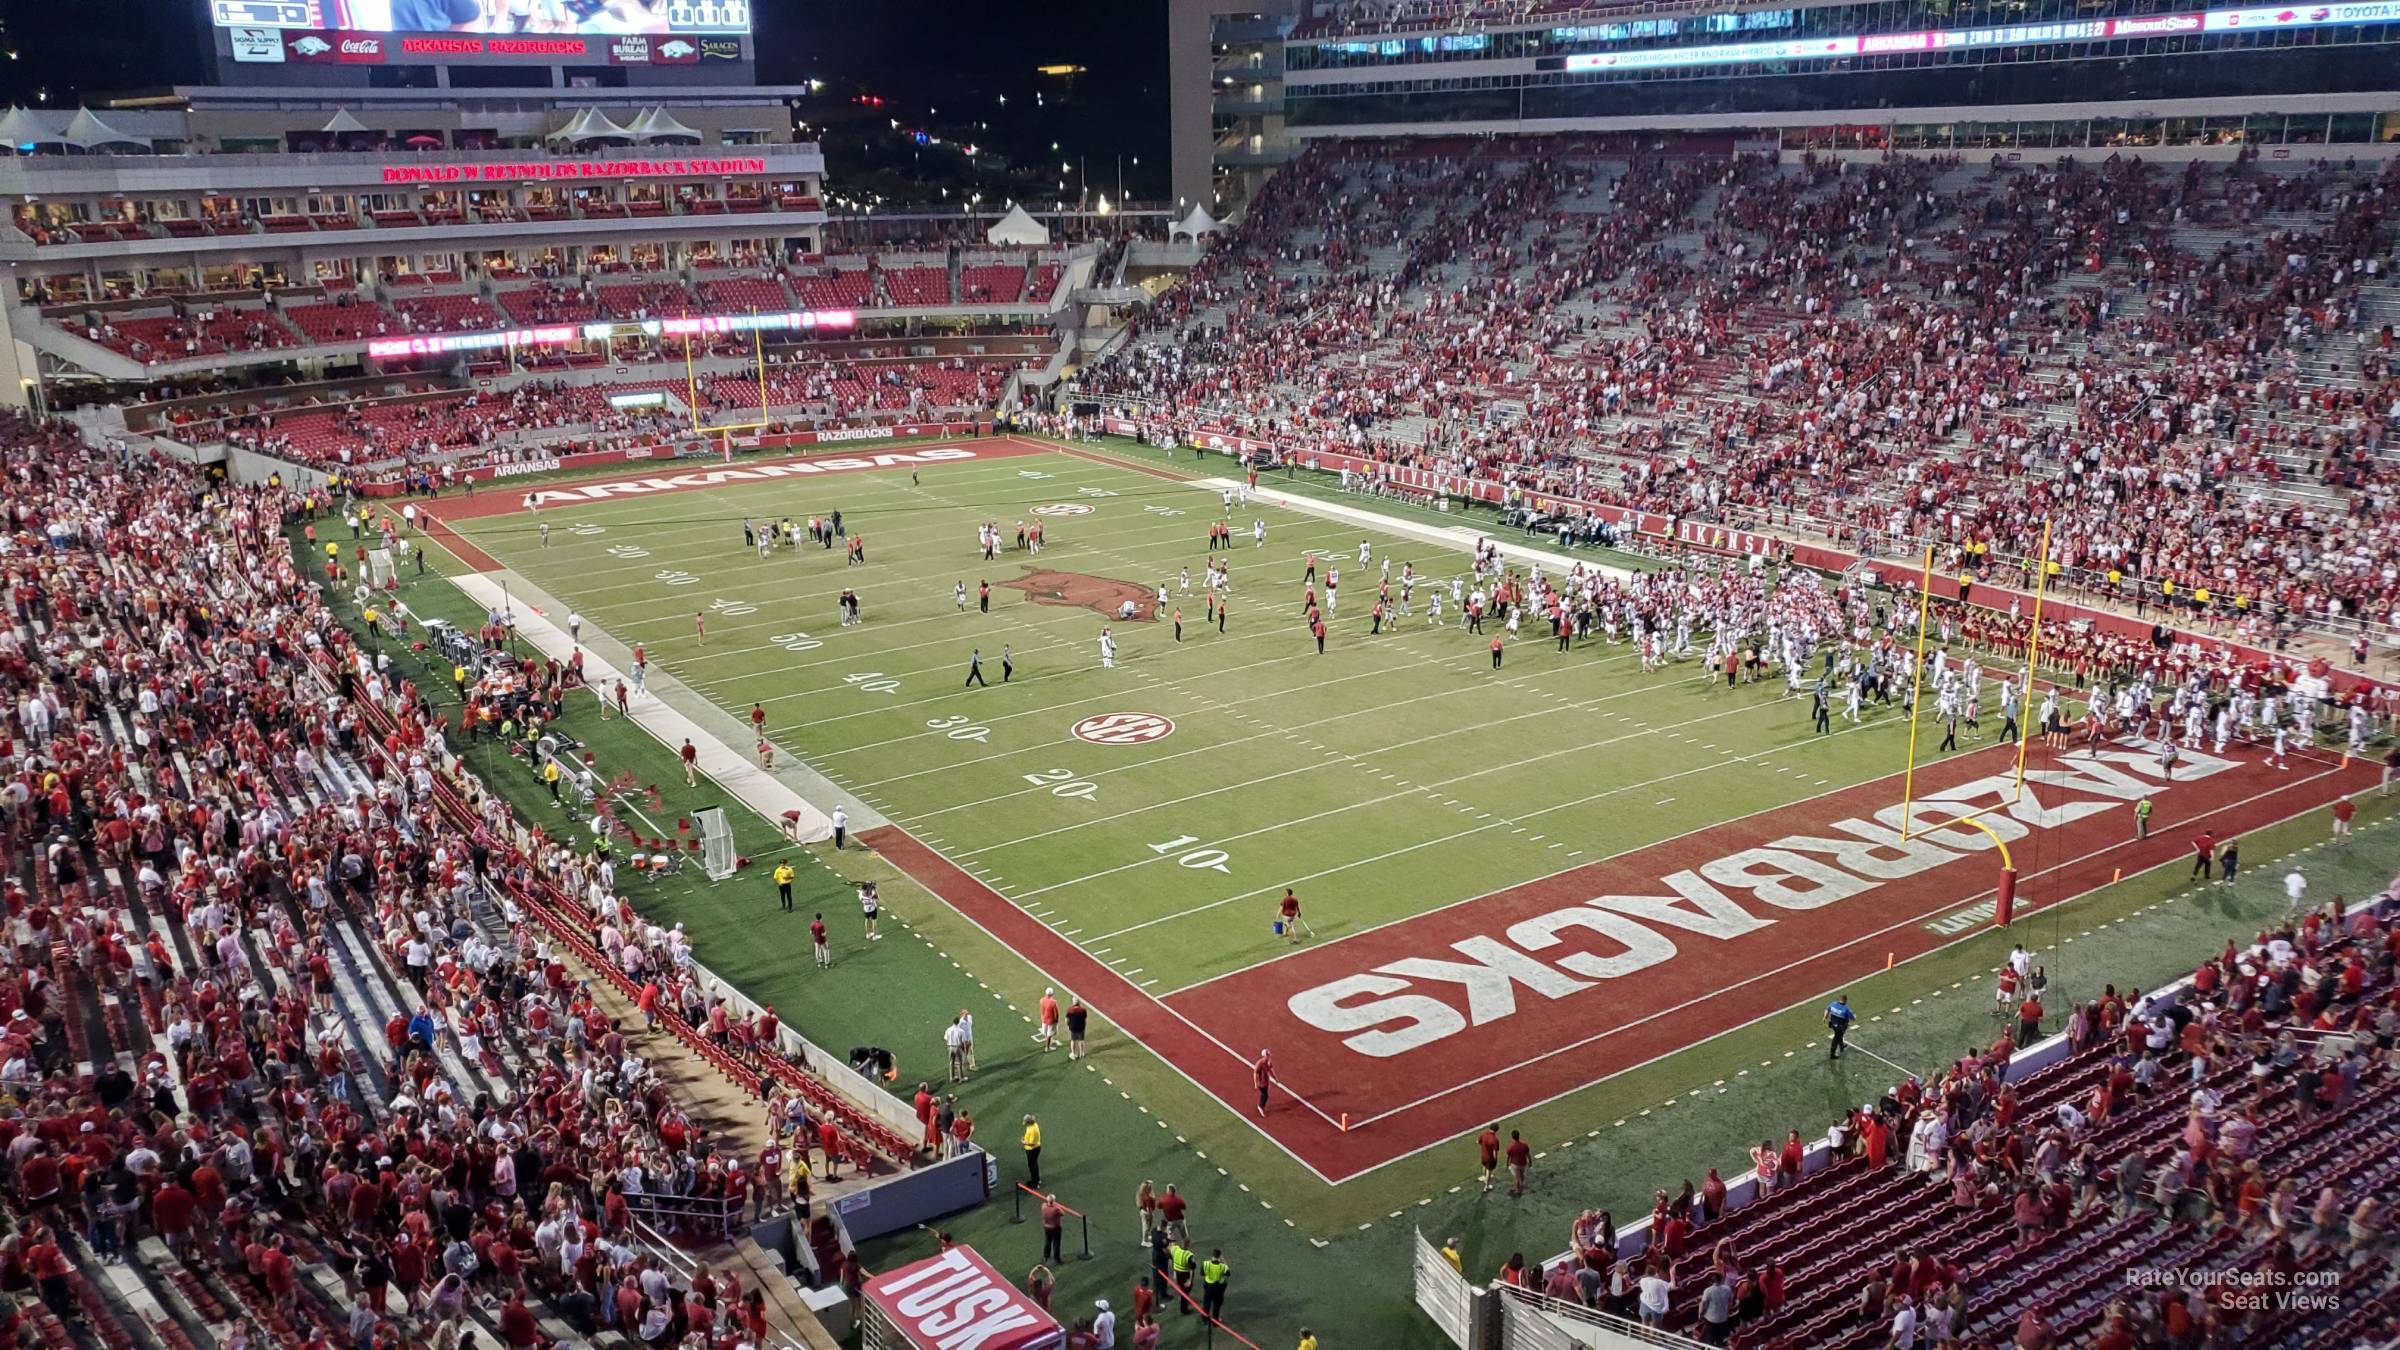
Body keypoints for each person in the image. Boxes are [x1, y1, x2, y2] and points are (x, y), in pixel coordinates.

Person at [1198, 1250, 1231, 1320]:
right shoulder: (1223, 1266)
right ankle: (1215, 1320)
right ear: (1220, 1256)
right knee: (1217, 1304)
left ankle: (1204, 1318)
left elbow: (1202, 1274)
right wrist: (1224, 1262)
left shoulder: (1205, 1263)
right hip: (1218, 1288)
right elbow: (1228, 1274)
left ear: (1212, 1255)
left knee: (1206, 1303)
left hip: (1208, 1286)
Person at [1826, 993, 1854, 1059]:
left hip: (1833, 1024)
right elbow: (1852, 1017)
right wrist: (1853, 1017)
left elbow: (1827, 1009)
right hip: (1840, 1026)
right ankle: (1832, 1054)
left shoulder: (1833, 1004)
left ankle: (1841, 1046)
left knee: (1839, 1035)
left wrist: (1824, 1017)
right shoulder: (1846, 1008)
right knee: (1837, 1038)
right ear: (1845, 1000)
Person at [1040, 1193, 1066, 1263]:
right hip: (1055, 1228)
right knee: (1056, 1243)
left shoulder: (1043, 1206)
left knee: (1047, 1242)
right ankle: (1057, 1258)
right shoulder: (1056, 1209)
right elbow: (1063, 1213)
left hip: (1046, 1227)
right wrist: (1057, 1205)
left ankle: (1046, 1256)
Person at [1506, 1129, 1531, 1196]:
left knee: (1516, 1178)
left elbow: (1508, 1156)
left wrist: (1507, 1163)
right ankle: (1522, 1186)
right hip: (1523, 1163)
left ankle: (1518, 1190)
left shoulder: (1511, 1147)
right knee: (1522, 1175)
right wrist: (1530, 1162)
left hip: (1515, 1164)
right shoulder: (1524, 1145)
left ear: (1512, 1137)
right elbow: (1528, 1154)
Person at [1477, 1124, 1501, 1192]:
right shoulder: (1495, 1139)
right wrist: (1495, 1160)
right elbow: (1495, 1152)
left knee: (1484, 1166)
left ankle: (1484, 1178)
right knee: (1489, 1172)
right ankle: (1486, 1186)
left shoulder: (1483, 1134)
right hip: (1490, 1158)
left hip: (1483, 1155)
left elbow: (1478, 1141)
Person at [1065, 996, 1089, 1060]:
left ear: (1073, 1002)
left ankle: (1073, 1053)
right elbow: (1085, 1020)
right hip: (1081, 1027)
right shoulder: (1083, 1010)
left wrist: (1068, 1026)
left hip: (1072, 1028)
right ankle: (1082, 1053)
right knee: (1081, 1040)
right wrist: (1084, 1026)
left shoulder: (1069, 1010)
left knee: (1073, 1040)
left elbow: (1067, 1020)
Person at [1022, 1114, 1043, 1186]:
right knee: (1034, 1164)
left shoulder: (1033, 1130)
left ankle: (1034, 1183)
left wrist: (1023, 1142)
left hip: (1032, 1150)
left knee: (1032, 1166)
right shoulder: (1034, 1125)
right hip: (1034, 1149)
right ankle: (1037, 1179)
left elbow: (1032, 1144)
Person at [1253, 1049, 1274, 1116]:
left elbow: (1270, 1070)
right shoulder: (1260, 1063)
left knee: (1265, 1095)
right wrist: (1256, 1084)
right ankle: (1260, 1106)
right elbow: (1255, 1073)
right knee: (1264, 1095)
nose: (1269, 1056)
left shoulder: (1268, 1062)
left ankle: (1262, 1106)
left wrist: (1275, 1078)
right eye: (1267, 1055)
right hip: (1261, 1082)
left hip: (1266, 1081)